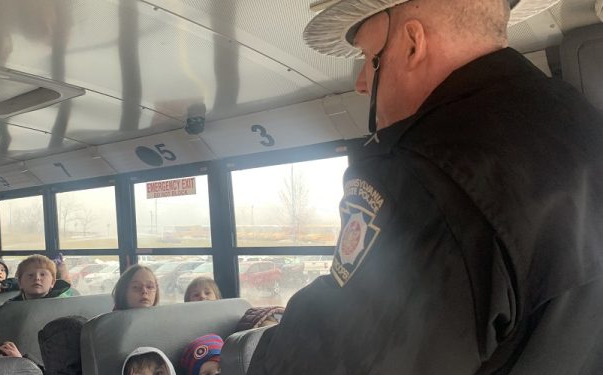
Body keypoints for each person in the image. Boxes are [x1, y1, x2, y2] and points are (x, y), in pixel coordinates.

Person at [247, 0, 603, 374]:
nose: (360, 82)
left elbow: (338, 361)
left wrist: (242, 354)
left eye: (369, 57)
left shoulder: (430, 177)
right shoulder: (582, 126)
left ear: (413, 43)